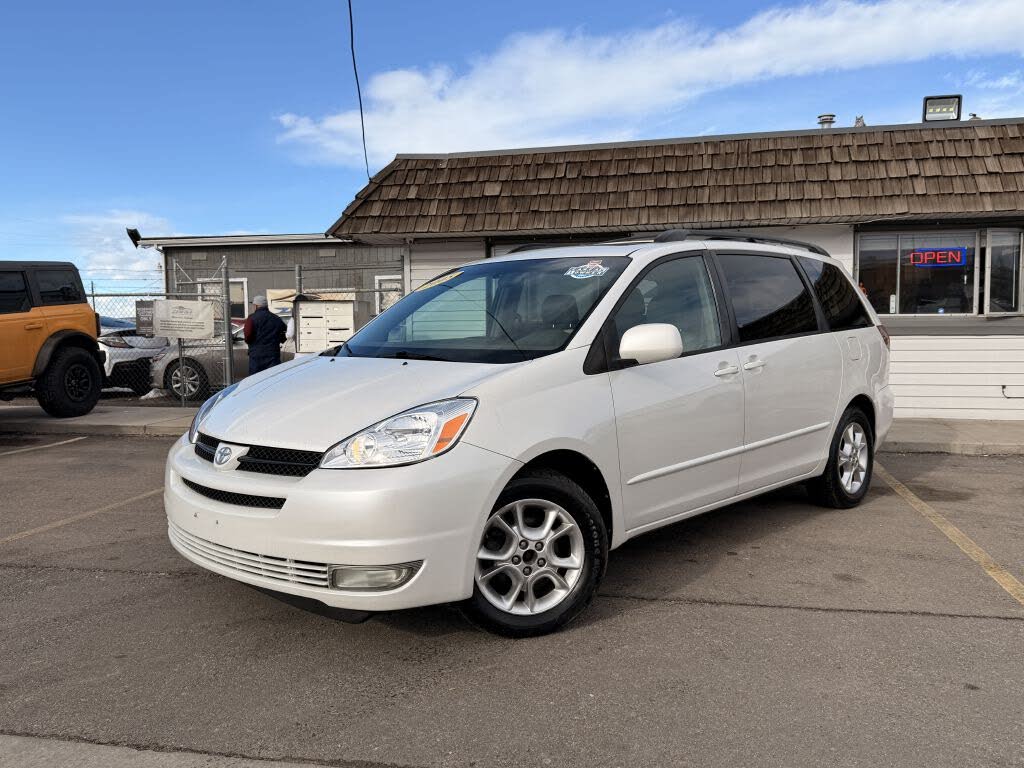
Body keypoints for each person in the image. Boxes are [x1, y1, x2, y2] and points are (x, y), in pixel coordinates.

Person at [243, 295, 287, 374]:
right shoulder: (276, 318)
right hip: (273, 353)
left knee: (255, 379)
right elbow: (284, 331)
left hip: (256, 354)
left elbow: (247, 335)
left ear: (256, 306)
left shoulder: (252, 318)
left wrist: (250, 342)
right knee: (272, 377)